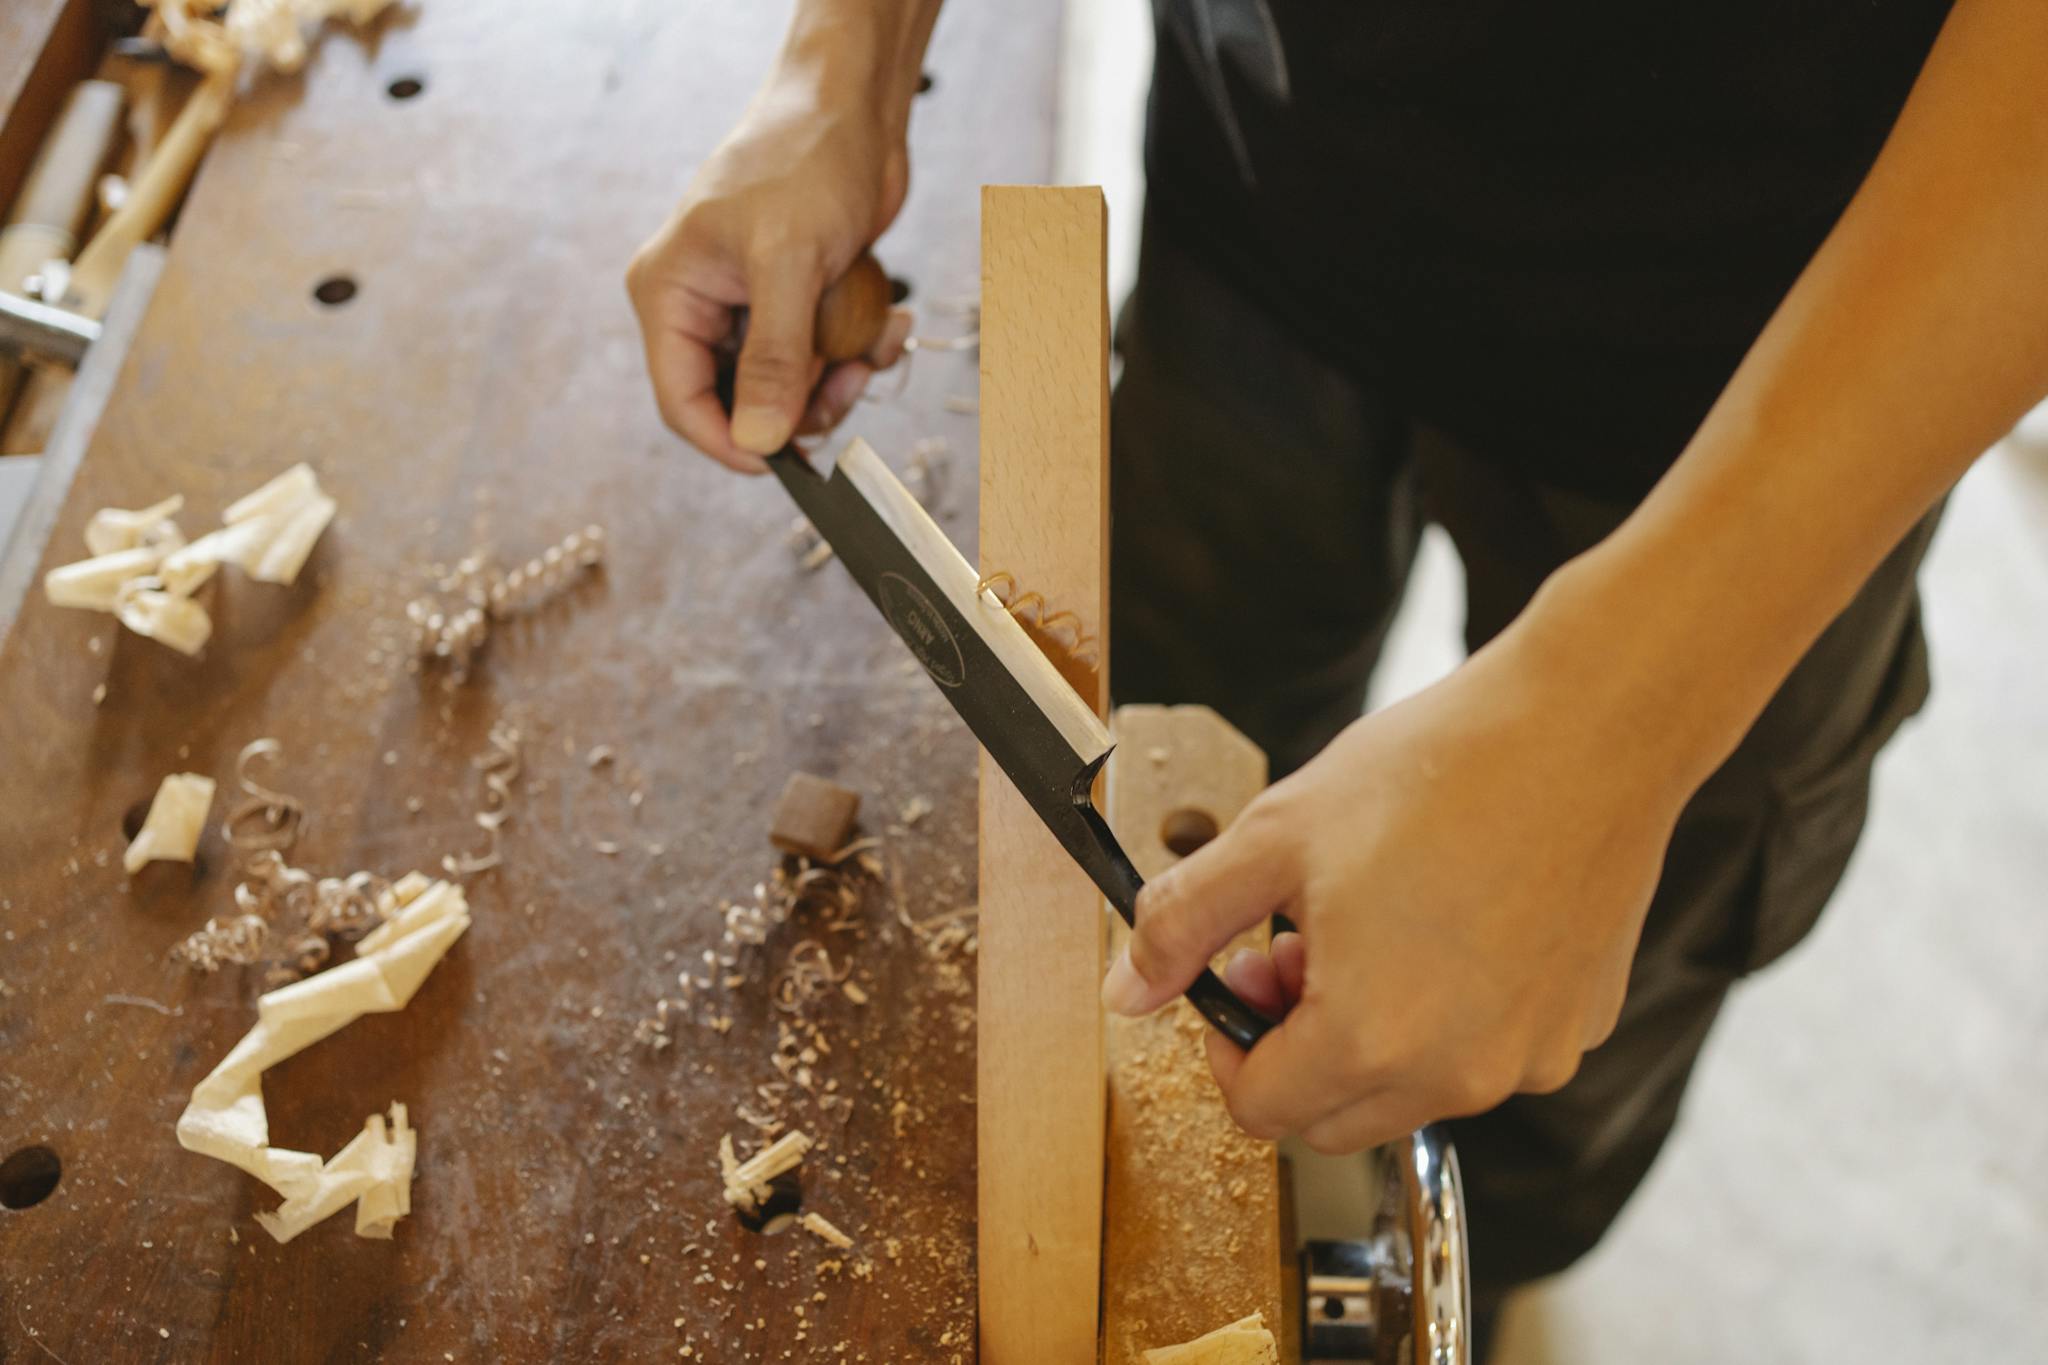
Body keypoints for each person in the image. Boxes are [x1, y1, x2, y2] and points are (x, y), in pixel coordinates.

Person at [627, 0, 2048, 1353]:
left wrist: (1621, 717)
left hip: (1810, 337)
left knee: (1537, 1032)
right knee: (1171, 765)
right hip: (1267, 174)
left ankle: (1474, 1264)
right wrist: (845, 68)